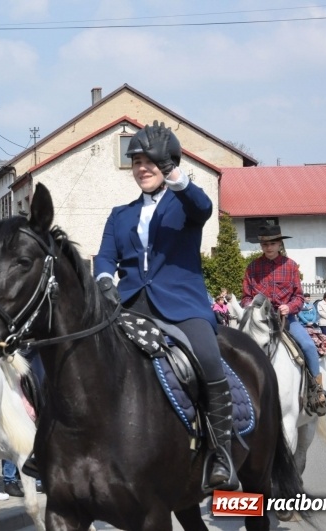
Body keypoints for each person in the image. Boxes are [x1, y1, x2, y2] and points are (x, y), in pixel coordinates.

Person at [93, 121, 238, 493]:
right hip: (130, 306)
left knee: (207, 359)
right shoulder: (119, 214)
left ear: (167, 163)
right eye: (137, 161)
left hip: (181, 306)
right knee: (79, 352)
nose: (142, 168)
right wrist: (106, 282)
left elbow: (202, 205)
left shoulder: (185, 205)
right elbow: (105, 257)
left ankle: (220, 453)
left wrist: (175, 171)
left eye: (150, 161)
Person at [241, 225, 326, 413]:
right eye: (265, 243)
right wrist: (250, 307)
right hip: (260, 320)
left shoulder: (290, 266)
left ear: (279, 244)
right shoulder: (253, 268)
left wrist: (288, 307)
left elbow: (298, 296)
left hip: (287, 320)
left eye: (272, 243)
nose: (268, 247)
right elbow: (245, 296)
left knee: (307, 346)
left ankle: (316, 390)